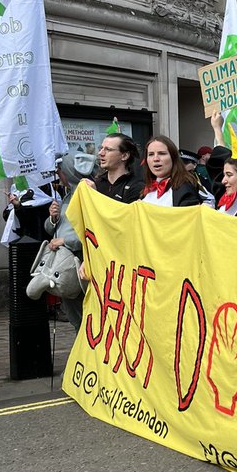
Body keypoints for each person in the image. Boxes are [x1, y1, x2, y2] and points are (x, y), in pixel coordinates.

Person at [44, 151, 97, 330]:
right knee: (75, 316)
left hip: (80, 264)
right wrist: (53, 218)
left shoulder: (88, 194)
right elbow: (52, 228)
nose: (59, 174)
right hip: (66, 264)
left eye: (61, 170)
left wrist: (65, 240)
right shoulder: (68, 195)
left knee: (84, 318)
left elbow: (92, 229)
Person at [141, 136, 203, 207]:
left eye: (162, 153)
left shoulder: (185, 190)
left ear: (173, 158)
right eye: (151, 154)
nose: (155, 159)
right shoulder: (146, 189)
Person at [88, 132, 142, 203]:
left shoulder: (136, 187)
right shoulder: (97, 183)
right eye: (101, 148)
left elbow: (121, 213)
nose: (100, 153)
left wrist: (94, 196)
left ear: (125, 156)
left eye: (108, 149)